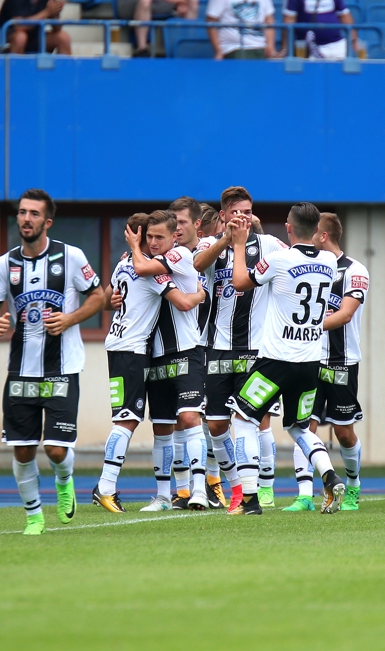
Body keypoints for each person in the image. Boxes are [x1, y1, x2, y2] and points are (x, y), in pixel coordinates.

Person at [0, 189, 107, 535]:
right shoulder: (4, 264)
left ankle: (65, 479)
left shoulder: (71, 257)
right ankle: (34, 517)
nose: (26, 218)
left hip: (63, 368)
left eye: (34, 214)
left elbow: (99, 295)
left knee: (54, 449)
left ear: (47, 221)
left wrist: (69, 319)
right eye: (22, 212)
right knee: (22, 451)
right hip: (20, 369)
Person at [227, 202, 346, 515]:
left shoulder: (278, 260)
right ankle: (330, 476)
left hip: (277, 360)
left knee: (244, 418)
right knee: (298, 428)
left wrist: (240, 244)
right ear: (318, 232)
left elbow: (240, 282)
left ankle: (250, 500)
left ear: (289, 228)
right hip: (310, 361)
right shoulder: (330, 262)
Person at [93, 214, 206, 513]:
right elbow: (181, 302)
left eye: (160, 237)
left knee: (144, 420)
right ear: (141, 238)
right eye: (149, 238)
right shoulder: (149, 270)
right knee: (129, 420)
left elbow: (106, 298)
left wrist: (114, 297)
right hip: (134, 351)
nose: (154, 243)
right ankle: (106, 487)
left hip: (119, 346)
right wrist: (200, 294)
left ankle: (192, 491)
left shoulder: (124, 264)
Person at [193, 186, 288, 513]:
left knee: (254, 421)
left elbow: (292, 266)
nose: (242, 218)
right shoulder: (210, 244)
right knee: (217, 425)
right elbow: (196, 264)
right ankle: (236, 487)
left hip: (256, 349)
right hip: (218, 348)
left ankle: (258, 492)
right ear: (223, 216)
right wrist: (226, 240)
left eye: (247, 212)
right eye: (236, 213)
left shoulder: (270, 245)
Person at [286, 212, 368, 512]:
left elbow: (345, 314)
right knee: (305, 425)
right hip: (309, 359)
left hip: (342, 361)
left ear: (322, 236)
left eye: (313, 233)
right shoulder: (308, 267)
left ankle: (354, 486)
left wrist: (310, 326)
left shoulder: (355, 270)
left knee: (344, 432)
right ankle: (305, 494)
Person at [168, 196, 227, 509]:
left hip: (208, 344)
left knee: (207, 419)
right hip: (172, 346)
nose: (177, 229)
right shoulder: (163, 255)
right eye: (173, 223)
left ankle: (212, 484)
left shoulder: (209, 253)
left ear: (197, 227)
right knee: (179, 420)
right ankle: (183, 491)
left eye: (182, 223)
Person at [281, 0, 357, 60]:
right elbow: (289, 21)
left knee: (343, 77)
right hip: (310, 48)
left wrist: (354, 42)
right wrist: (285, 49)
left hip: (337, 46)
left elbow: (345, 17)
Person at [118, 0, 196, 58]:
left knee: (192, 3)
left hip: (160, 3)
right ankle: (142, 49)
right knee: (145, 2)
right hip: (128, 4)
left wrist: (181, 4)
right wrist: (180, 2)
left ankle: (188, 46)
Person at [206, 0, 278, 60]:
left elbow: (269, 20)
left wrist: (270, 46)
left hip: (262, 47)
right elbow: (210, 21)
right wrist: (218, 51)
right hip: (235, 48)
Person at [0, 0, 71, 55]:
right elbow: (19, 26)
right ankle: (15, 72)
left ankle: (65, 74)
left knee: (63, 38)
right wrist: (47, 12)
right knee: (21, 37)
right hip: (6, 38)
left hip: (34, 38)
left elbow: (57, 28)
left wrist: (56, 11)